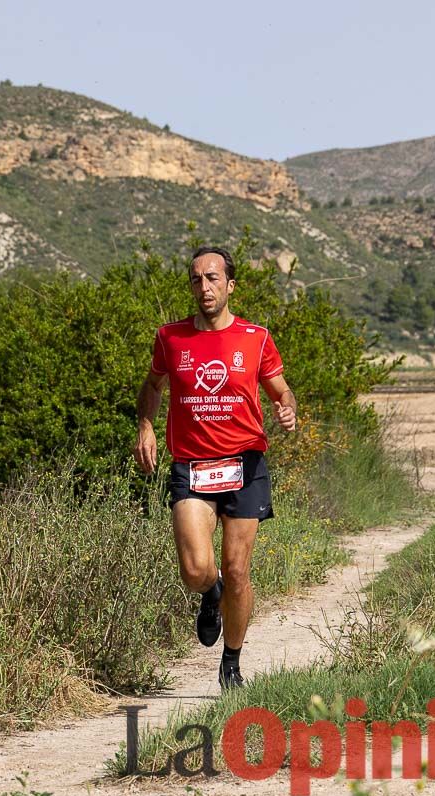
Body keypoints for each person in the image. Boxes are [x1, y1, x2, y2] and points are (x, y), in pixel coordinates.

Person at [133, 245, 297, 690]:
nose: (203, 287)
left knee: (239, 568)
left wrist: (287, 410)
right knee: (195, 570)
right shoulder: (171, 338)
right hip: (192, 466)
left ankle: (232, 662)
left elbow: (282, 392)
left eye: (212, 278)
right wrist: (146, 425)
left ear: (229, 285)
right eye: (196, 279)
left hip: (244, 463)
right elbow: (152, 385)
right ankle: (211, 593)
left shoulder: (256, 337)